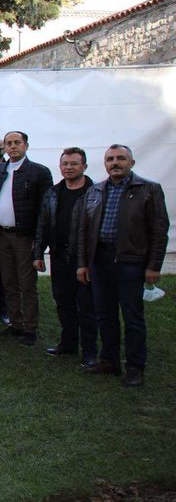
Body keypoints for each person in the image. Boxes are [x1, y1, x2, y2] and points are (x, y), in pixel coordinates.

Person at [77, 144, 169, 387]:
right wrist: (84, 264)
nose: (114, 163)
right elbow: (85, 231)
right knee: (104, 314)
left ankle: (135, 367)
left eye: (120, 158)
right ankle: (109, 360)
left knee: (132, 316)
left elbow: (159, 231)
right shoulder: (96, 190)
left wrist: (153, 266)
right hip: (100, 260)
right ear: (105, 163)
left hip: (131, 262)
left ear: (132, 162)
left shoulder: (148, 189)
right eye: (110, 159)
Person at [0, 130, 52, 346]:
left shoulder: (38, 172)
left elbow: (45, 210)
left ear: (26, 145)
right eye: (9, 143)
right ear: (5, 147)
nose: (13, 146)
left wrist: (39, 239)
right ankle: (15, 323)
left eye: (17, 142)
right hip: (2, 235)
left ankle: (30, 327)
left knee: (27, 283)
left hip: (24, 236)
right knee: (8, 281)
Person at [34, 148, 96, 363]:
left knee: (87, 305)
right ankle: (68, 343)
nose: (69, 167)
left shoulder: (95, 193)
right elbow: (43, 223)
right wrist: (38, 252)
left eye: (74, 164)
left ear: (84, 167)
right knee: (63, 301)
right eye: (65, 164)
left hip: (84, 258)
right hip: (59, 256)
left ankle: (89, 351)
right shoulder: (53, 193)